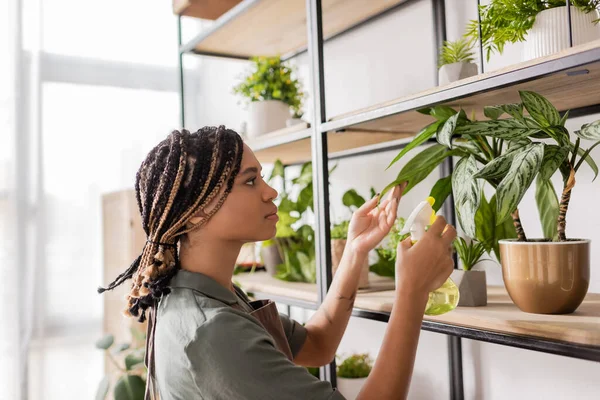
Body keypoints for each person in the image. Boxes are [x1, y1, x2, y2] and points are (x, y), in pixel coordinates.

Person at [99, 126, 456, 400]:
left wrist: (354, 251)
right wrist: (412, 291)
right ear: (196, 213)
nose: (270, 191)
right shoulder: (212, 331)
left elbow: (317, 345)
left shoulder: (202, 292)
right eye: (250, 181)